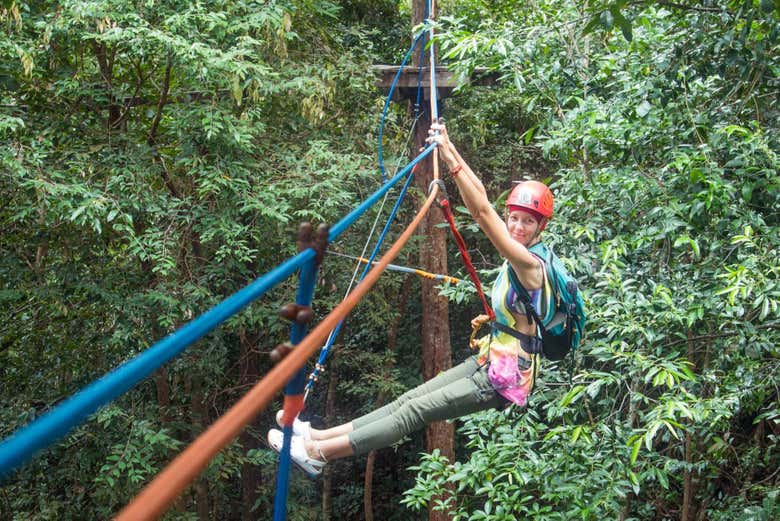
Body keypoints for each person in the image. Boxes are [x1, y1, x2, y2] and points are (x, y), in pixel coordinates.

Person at [268, 121, 556, 476]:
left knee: (413, 413)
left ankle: (317, 454)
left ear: (541, 228)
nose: (516, 227)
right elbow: (482, 198)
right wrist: (448, 147)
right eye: (513, 218)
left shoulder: (529, 263)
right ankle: (320, 435)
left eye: (528, 222)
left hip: (504, 380)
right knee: (406, 400)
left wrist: (449, 156)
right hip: (491, 359)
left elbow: (481, 212)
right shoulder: (520, 251)